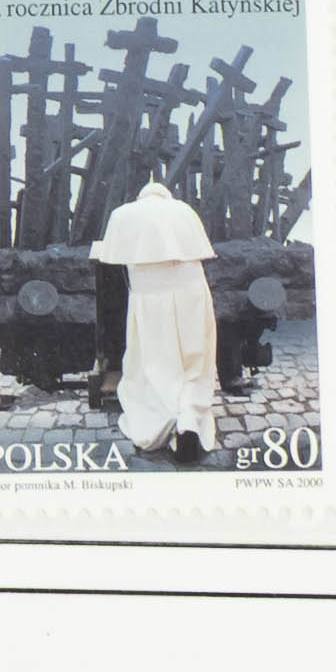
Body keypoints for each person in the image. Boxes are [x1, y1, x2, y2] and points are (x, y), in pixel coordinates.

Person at [92, 171, 223, 459]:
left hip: (149, 295)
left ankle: (166, 415)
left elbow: (111, 258)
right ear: (165, 194)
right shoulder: (184, 211)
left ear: (141, 196)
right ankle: (189, 418)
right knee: (195, 358)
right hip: (191, 290)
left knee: (155, 359)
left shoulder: (122, 214)